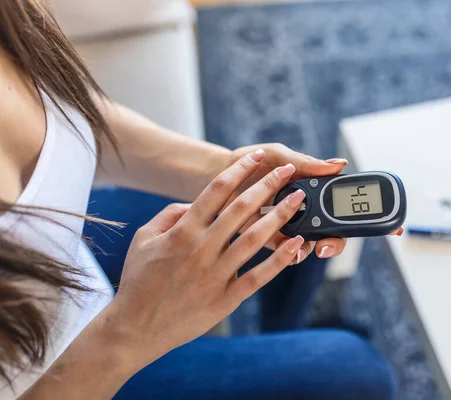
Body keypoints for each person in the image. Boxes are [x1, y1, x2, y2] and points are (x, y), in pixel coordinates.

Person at [0, 1, 403, 399]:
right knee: (354, 370)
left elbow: (71, 114)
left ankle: (275, 340)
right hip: (66, 375)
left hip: (64, 251)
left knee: (285, 230)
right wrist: (129, 331)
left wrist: (221, 169)